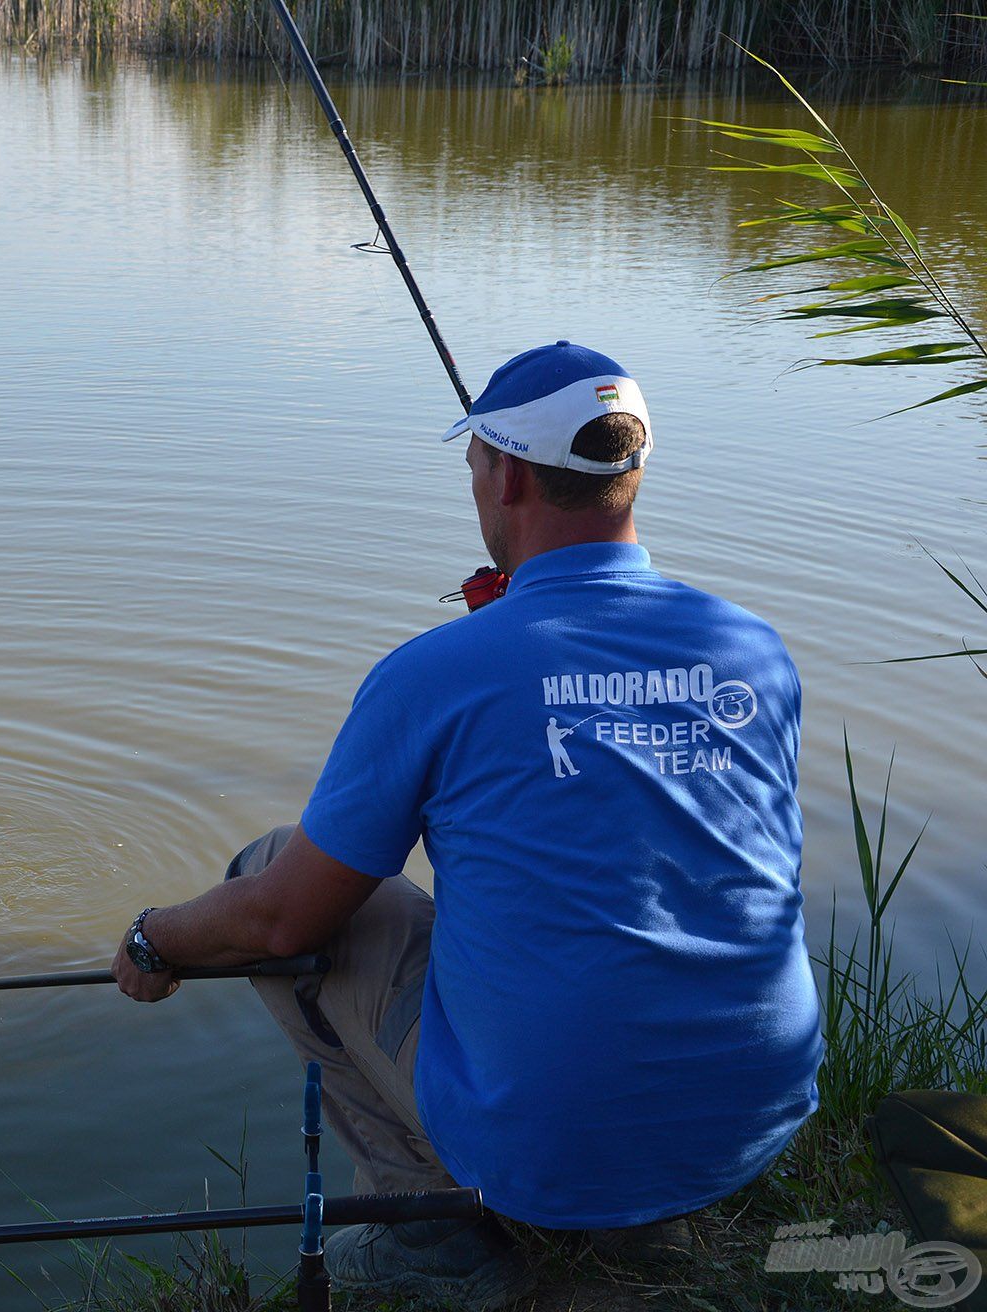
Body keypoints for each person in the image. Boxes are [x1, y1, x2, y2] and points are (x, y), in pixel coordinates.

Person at [111, 343, 823, 1308]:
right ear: (630, 473)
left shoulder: (436, 673)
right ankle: (647, 1209)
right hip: (752, 1121)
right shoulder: (754, 648)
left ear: (513, 475)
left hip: (551, 1142)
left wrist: (155, 936)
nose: (476, 488)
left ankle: (426, 1230)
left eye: (475, 466)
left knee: (277, 869)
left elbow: (280, 922)